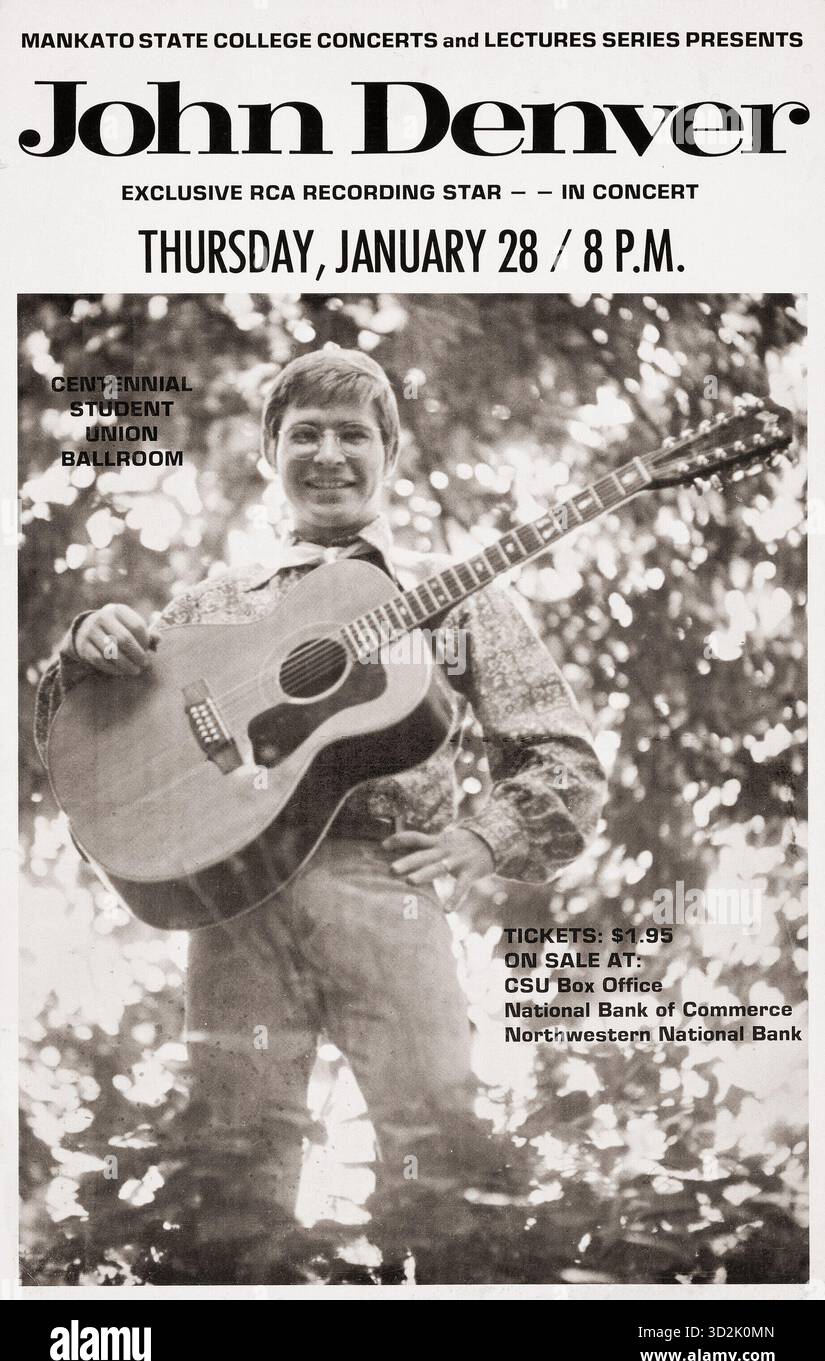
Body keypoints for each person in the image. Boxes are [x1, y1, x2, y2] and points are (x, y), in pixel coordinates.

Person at [34, 346, 607, 1276]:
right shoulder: (218, 602)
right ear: (270, 454)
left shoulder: (453, 597)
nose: (329, 454)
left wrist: (481, 837)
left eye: (353, 435)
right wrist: (84, 650)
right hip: (234, 902)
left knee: (442, 1166)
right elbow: (93, 744)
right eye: (305, 435)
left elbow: (562, 756)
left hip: (385, 886)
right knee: (229, 1176)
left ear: (389, 454)